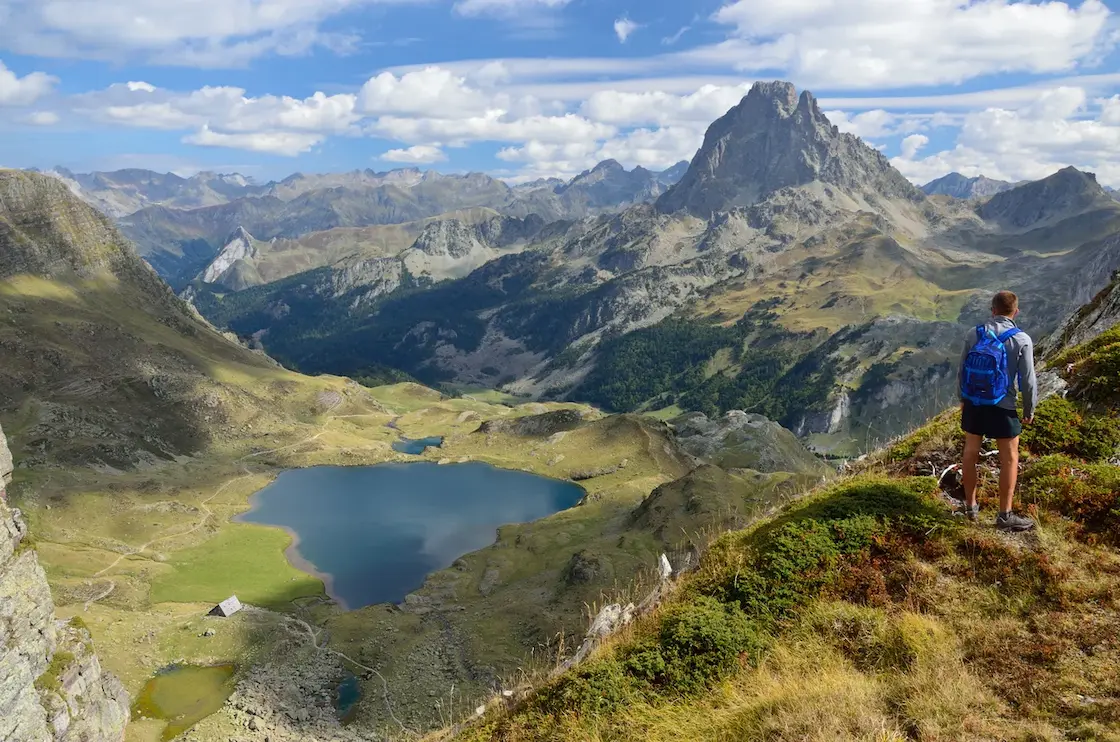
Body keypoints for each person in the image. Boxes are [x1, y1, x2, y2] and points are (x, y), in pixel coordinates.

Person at [957, 290, 1038, 532]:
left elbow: (961, 369)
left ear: (992, 310)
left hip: (974, 403)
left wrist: (963, 398)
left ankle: (970, 507)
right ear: (1015, 312)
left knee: (970, 452)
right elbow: (1028, 379)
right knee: (1010, 459)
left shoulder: (974, 333)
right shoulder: (1021, 339)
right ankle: (1004, 516)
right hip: (1003, 405)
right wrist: (1029, 408)